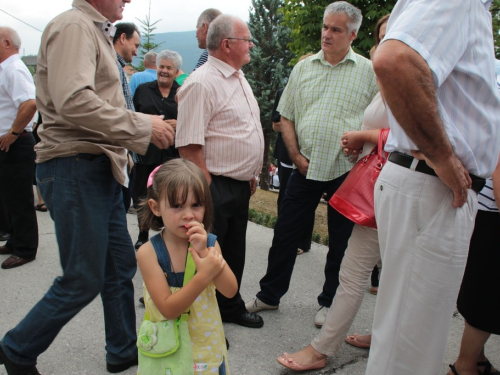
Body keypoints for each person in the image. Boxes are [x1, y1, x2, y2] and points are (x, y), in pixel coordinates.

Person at [0, 0, 175, 374]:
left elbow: (96, 102)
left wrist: (142, 121)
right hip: (75, 165)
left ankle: (123, 350)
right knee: (82, 277)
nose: (128, 1)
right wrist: (143, 128)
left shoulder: (94, 30)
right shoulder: (74, 27)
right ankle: (17, 348)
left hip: (99, 167)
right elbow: (74, 102)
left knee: (119, 264)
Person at [366, 0, 500, 374]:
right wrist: (441, 155)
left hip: (429, 186)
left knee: (403, 338)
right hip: (435, 186)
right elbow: (394, 61)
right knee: (409, 351)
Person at [245, 1, 378, 329]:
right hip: (305, 167)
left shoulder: (369, 71)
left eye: (335, 29)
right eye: (324, 27)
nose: (326, 34)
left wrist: (364, 142)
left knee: (341, 241)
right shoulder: (303, 68)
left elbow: (381, 119)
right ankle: (269, 295)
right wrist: (296, 156)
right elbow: (285, 114)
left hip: (346, 171)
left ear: (353, 34)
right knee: (286, 232)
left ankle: (329, 302)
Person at [176, 15, 265, 329]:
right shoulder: (201, 82)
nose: (252, 44)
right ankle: (200, 321)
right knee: (206, 253)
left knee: (233, 250)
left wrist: (251, 172)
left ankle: (228, 307)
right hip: (214, 185)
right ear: (227, 44)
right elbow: (188, 143)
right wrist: (206, 188)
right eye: (247, 39)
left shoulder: (237, 76)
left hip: (238, 185)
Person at [137, 158, 237, 374]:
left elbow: (230, 291)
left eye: (196, 205)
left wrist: (204, 252)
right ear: (155, 207)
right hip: (167, 351)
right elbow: (168, 308)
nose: (189, 214)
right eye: (177, 206)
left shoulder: (210, 244)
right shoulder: (149, 253)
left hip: (206, 350)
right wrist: (203, 276)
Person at [448, 156, 500, 375]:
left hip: (489, 214)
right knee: (487, 299)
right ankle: (464, 366)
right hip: (492, 216)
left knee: (485, 296)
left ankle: (475, 360)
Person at [133, 49, 181, 250]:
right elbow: (132, 116)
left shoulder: (182, 93)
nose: (164, 71)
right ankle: (143, 234)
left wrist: (179, 123)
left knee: (170, 196)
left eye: (169, 68)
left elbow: (192, 120)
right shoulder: (143, 90)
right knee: (142, 195)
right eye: (161, 66)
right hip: (146, 153)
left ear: (176, 71)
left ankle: (169, 236)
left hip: (171, 156)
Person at [0, 26, 38, 270]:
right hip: (10, 143)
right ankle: (15, 240)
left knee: (20, 198)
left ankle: (26, 248)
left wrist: (13, 134)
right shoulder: (6, 69)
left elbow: (29, 104)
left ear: (5, 42)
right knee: (9, 197)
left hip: (16, 142)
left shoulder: (13, 68)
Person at [271, 84, 314, 255]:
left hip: (308, 154)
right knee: (285, 197)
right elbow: (275, 124)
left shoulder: (319, 90)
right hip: (287, 154)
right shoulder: (284, 91)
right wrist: (294, 125)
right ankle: (284, 238)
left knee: (308, 198)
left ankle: (303, 241)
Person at [113, 22, 141, 213]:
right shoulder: (112, 66)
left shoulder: (118, 67)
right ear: (123, 38)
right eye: (136, 45)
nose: (136, 52)